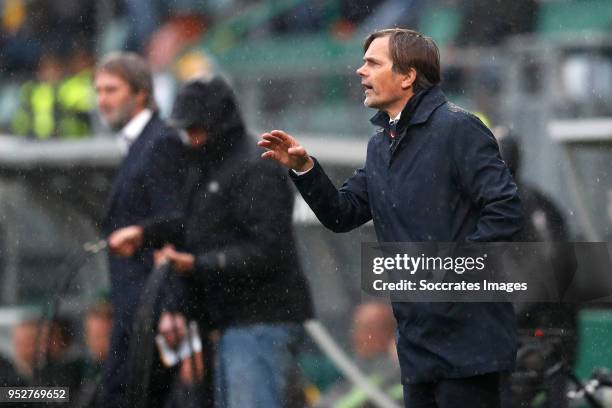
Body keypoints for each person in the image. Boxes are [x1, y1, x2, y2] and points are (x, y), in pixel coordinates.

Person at [258, 28, 524, 408]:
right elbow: (342, 213)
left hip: (469, 345)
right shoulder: (381, 144)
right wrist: (305, 168)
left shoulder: (458, 128)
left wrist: (451, 278)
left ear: (407, 75)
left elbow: (504, 210)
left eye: (372, 63)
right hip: (417, 347)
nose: (360, 72)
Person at [108, 76, 314, 408]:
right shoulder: (206, 166)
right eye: (186, 130)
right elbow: (196, 224)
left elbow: (267, 251)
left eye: (197, 128)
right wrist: (146, 234)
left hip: (260, 319)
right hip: (229, 322)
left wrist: (197, 263)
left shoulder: (255, 167)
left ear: (218, 123)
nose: (191, 138)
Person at [94, 52, 187, 408]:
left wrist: (170, 308)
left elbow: (177, 222)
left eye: (111, 90)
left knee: (128, 396)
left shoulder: (160, 142)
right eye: (99, 91)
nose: (102, 100)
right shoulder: (142, 144)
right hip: (137, 306)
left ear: (141, 94)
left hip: (151, 307)